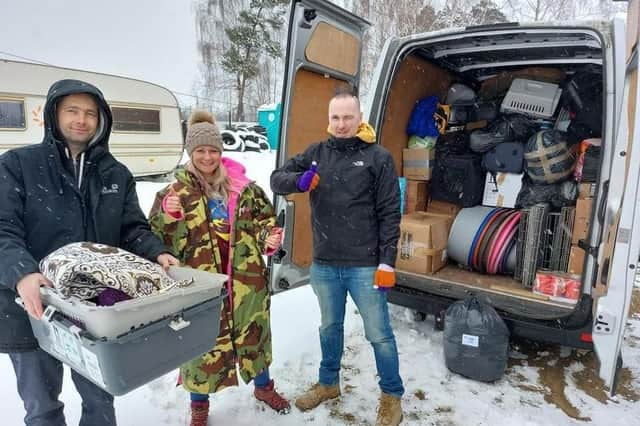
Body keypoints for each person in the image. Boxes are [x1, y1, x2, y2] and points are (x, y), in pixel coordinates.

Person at [0, 79, 179, 426]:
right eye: (72, 111)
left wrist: (156, 252)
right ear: (53, 115)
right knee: (41, 407)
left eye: (90, 113)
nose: (81, 120)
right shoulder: (18, 165)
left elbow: (132, 229)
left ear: (101, 121)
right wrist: (22, 273)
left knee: (100, 401)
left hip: (96, 312)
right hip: (33, 308)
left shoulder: (116, 174)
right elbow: (2, 227)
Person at [270, 91, 404, 426]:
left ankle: (391, 395)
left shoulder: (378, 157)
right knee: (330, 328)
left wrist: (387, 261)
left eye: (348, 117)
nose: (341, 124)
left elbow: (390, 212)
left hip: (365, 266)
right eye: (335, 118)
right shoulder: (317, 153)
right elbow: (277, 179)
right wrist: (298, 181)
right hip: (325, 264)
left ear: (359, 118)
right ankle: (328, 384)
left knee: (379, 335)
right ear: (328, 120)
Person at [149, 111, 290, 426]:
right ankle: (199, 404)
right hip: (199, 285)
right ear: (190, 152)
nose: (207, 156)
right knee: (199, 344)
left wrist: (270, 236)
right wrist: (167, 217)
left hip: (245, 281)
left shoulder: (245, 188)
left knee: (253, 336)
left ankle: (264, 388)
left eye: (213, 150)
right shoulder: (173, 194)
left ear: (220, 151)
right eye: (200, 150)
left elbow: (264, 222)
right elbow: (156, 243)